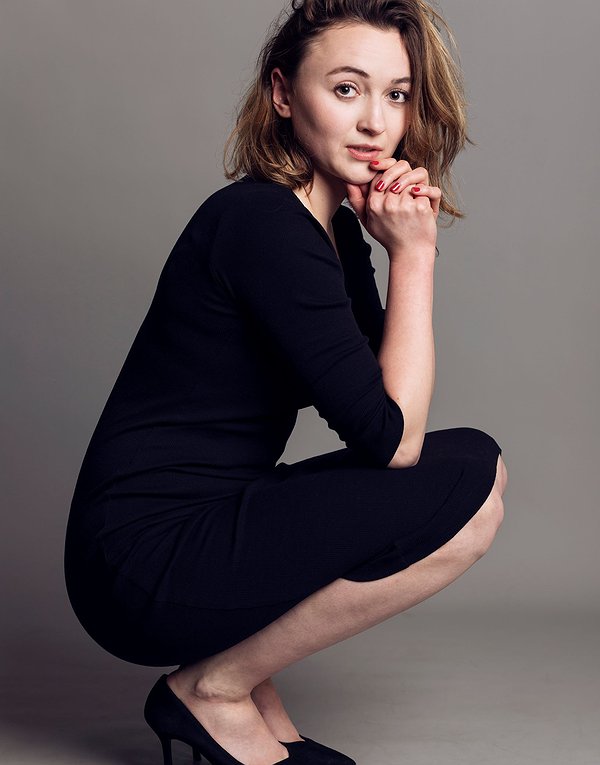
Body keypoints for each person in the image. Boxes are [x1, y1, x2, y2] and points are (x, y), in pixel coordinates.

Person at [63, 1, 508, 764]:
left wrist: (393, 245)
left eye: (396, 95)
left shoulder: (327, 230)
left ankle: (239, 687)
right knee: (467, 479)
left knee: (474, 473)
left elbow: (381, 406)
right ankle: (213, 688)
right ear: (281, 93)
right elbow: (394, 442)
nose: (374, 121)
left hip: (204, 520)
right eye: (346, 89)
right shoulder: (262, 225)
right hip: (140, 559)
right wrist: (416, 257)